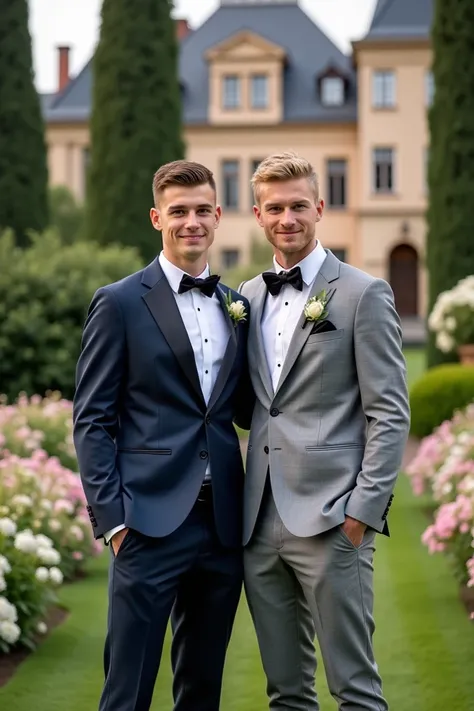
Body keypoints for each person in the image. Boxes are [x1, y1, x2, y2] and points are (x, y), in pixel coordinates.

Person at [73, 160, 252, 711]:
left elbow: (243, 408)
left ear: (218, 216)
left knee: (202, 690)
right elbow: (92, 417)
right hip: (146, 524)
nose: (191, 222)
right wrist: (114, 521)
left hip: (222, 523)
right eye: (178, 212)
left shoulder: (235, 306)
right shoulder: (120, 302)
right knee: (126, 691)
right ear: (157, 218)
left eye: (202, 210)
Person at [238, 152, 410, 710]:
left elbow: (389, 412)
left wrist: (361, 512)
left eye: (297, 205)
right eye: (274, 208)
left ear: (320, 206)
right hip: (259, 522)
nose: (287, 217)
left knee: (355, 691)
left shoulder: (364, 293)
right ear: (258, 215)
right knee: (286, 693)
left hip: (335, 521)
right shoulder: (247, 297)